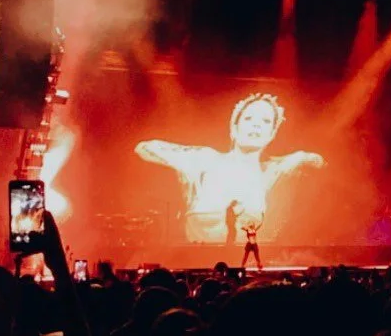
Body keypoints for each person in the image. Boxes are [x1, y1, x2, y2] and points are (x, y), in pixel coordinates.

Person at [135, 93, 324, 243]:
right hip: (198, 266)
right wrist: (183, 160)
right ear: (234, 128)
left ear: (272, 134)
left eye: (266, 121)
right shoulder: (205, 160)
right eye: (249, 118)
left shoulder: (271, 172)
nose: (256, 125)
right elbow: (143, 148)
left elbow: (320, 162)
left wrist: (301, 157)